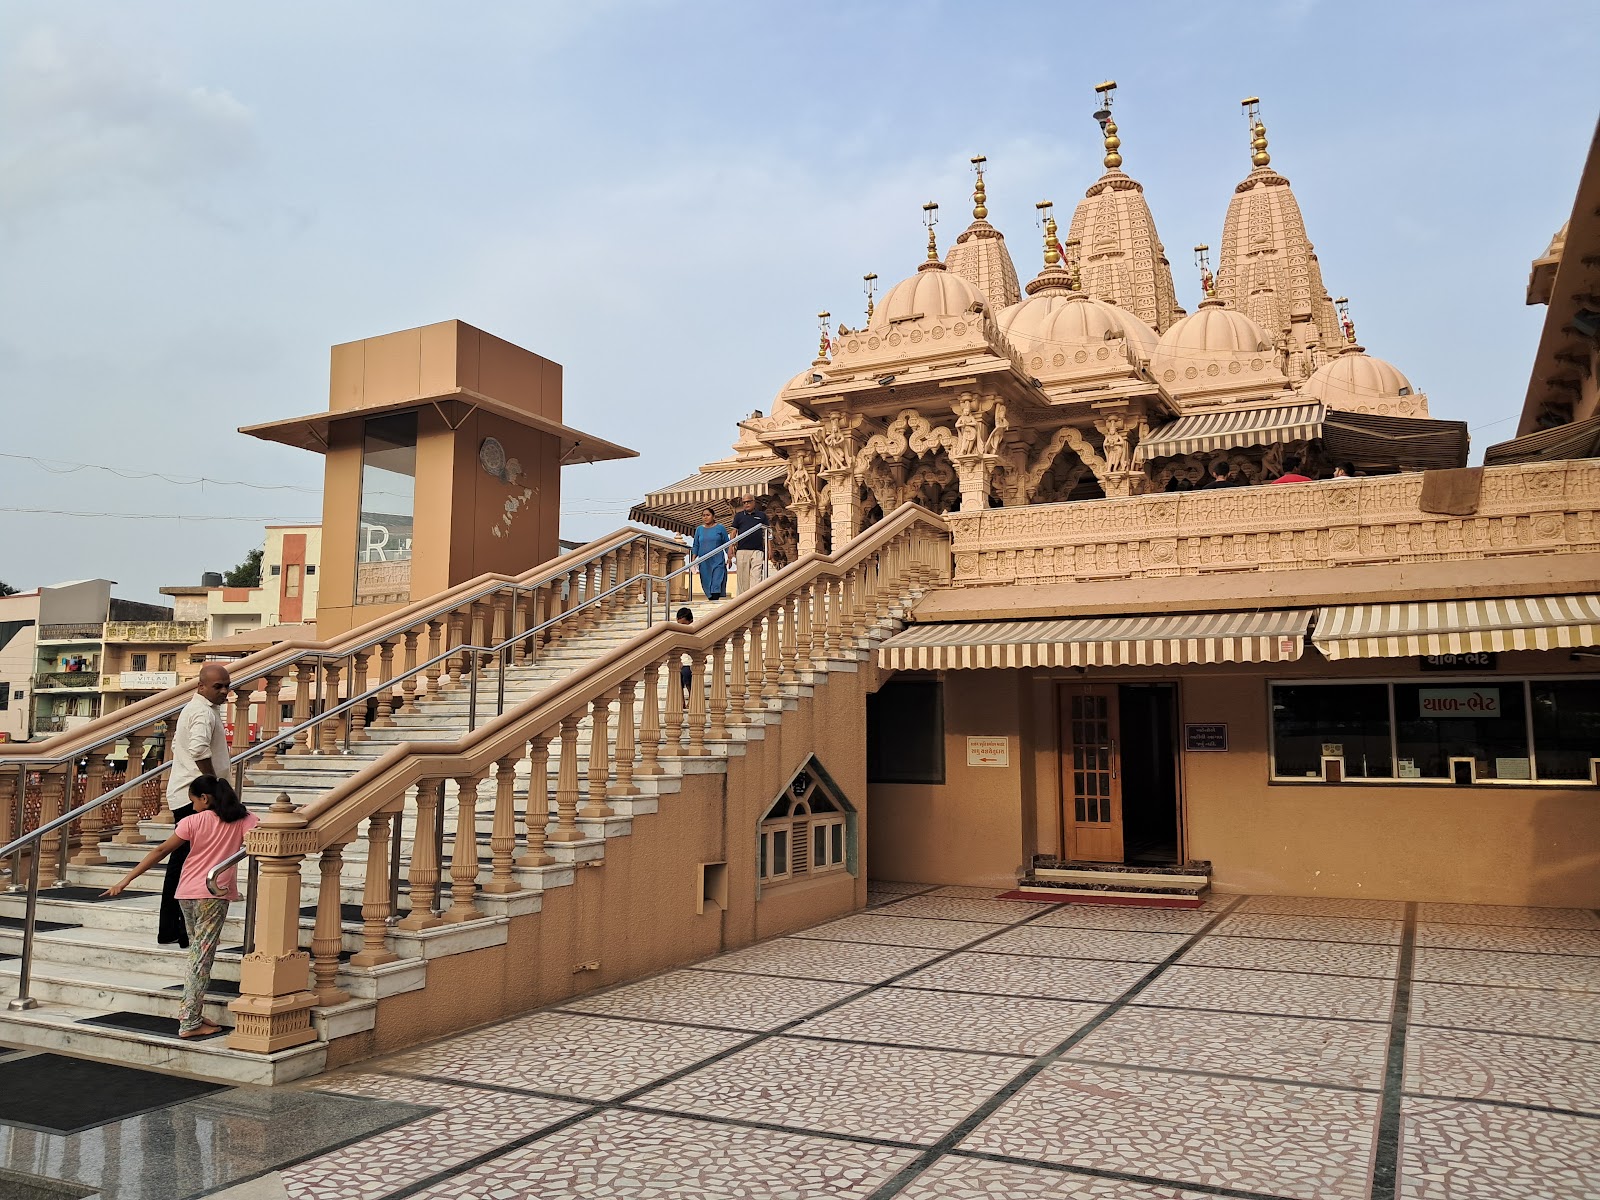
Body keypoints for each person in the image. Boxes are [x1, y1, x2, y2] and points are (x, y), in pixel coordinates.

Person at [102, 775, 259, 1038]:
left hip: (186, 893)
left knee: (198, 955)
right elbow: (265, 834)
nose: (193, 806)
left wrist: (126, 880)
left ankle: (192, 1012)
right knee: (201, 958)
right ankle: (189, 1020)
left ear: (205, 798)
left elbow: (160, 851)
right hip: (213, 893)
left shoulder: (192, 821)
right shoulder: (244, 819)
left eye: (193, 801)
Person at [160, 663, 233, 947]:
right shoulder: (202, 712)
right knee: (184, 864)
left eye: (227, 685)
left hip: (188, 795)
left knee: (184, 862)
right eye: (218, 686)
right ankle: (176, 928)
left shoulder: (200, 709)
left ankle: (173, 928)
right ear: (201, 686)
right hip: (196, 799)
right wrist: (213, 786)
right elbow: (200, 749)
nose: (225, 691)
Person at [730, 495, 770, 591]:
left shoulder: (762, 515)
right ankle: (743, 600)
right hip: (742, 550)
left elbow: (767, 533)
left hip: (758, 549)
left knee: (756, 576)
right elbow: (733, 532)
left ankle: (755, 597)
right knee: (743, 579)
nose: (746, 504)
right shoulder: (739, 516)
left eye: (748, 502)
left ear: (754, 502)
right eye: (744, 502)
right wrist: (730, 549)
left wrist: (769, 549)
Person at [690, 507, 731, 600]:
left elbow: (727, 543)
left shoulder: (720, 528)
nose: (705, 517)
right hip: (704, 561)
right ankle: (711, 600)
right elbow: (696, 545)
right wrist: (693, 560)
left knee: (716, 582)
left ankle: (715, 601)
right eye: (703, 515)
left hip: (717, 560)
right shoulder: (699, 529)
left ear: (713, 516)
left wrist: (729, 557)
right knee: (706, 582)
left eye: (708, 515)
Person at [675, 607, 695, 699]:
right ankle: (681, 700)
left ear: (691, 621)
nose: (681, 627)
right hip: (681, 662)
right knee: (677, 676)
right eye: (679, 624)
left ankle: (692, 697)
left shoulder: (694, 633)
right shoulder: (677, 634)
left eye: (684, 624)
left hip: (691, 662)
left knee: (686, 674)